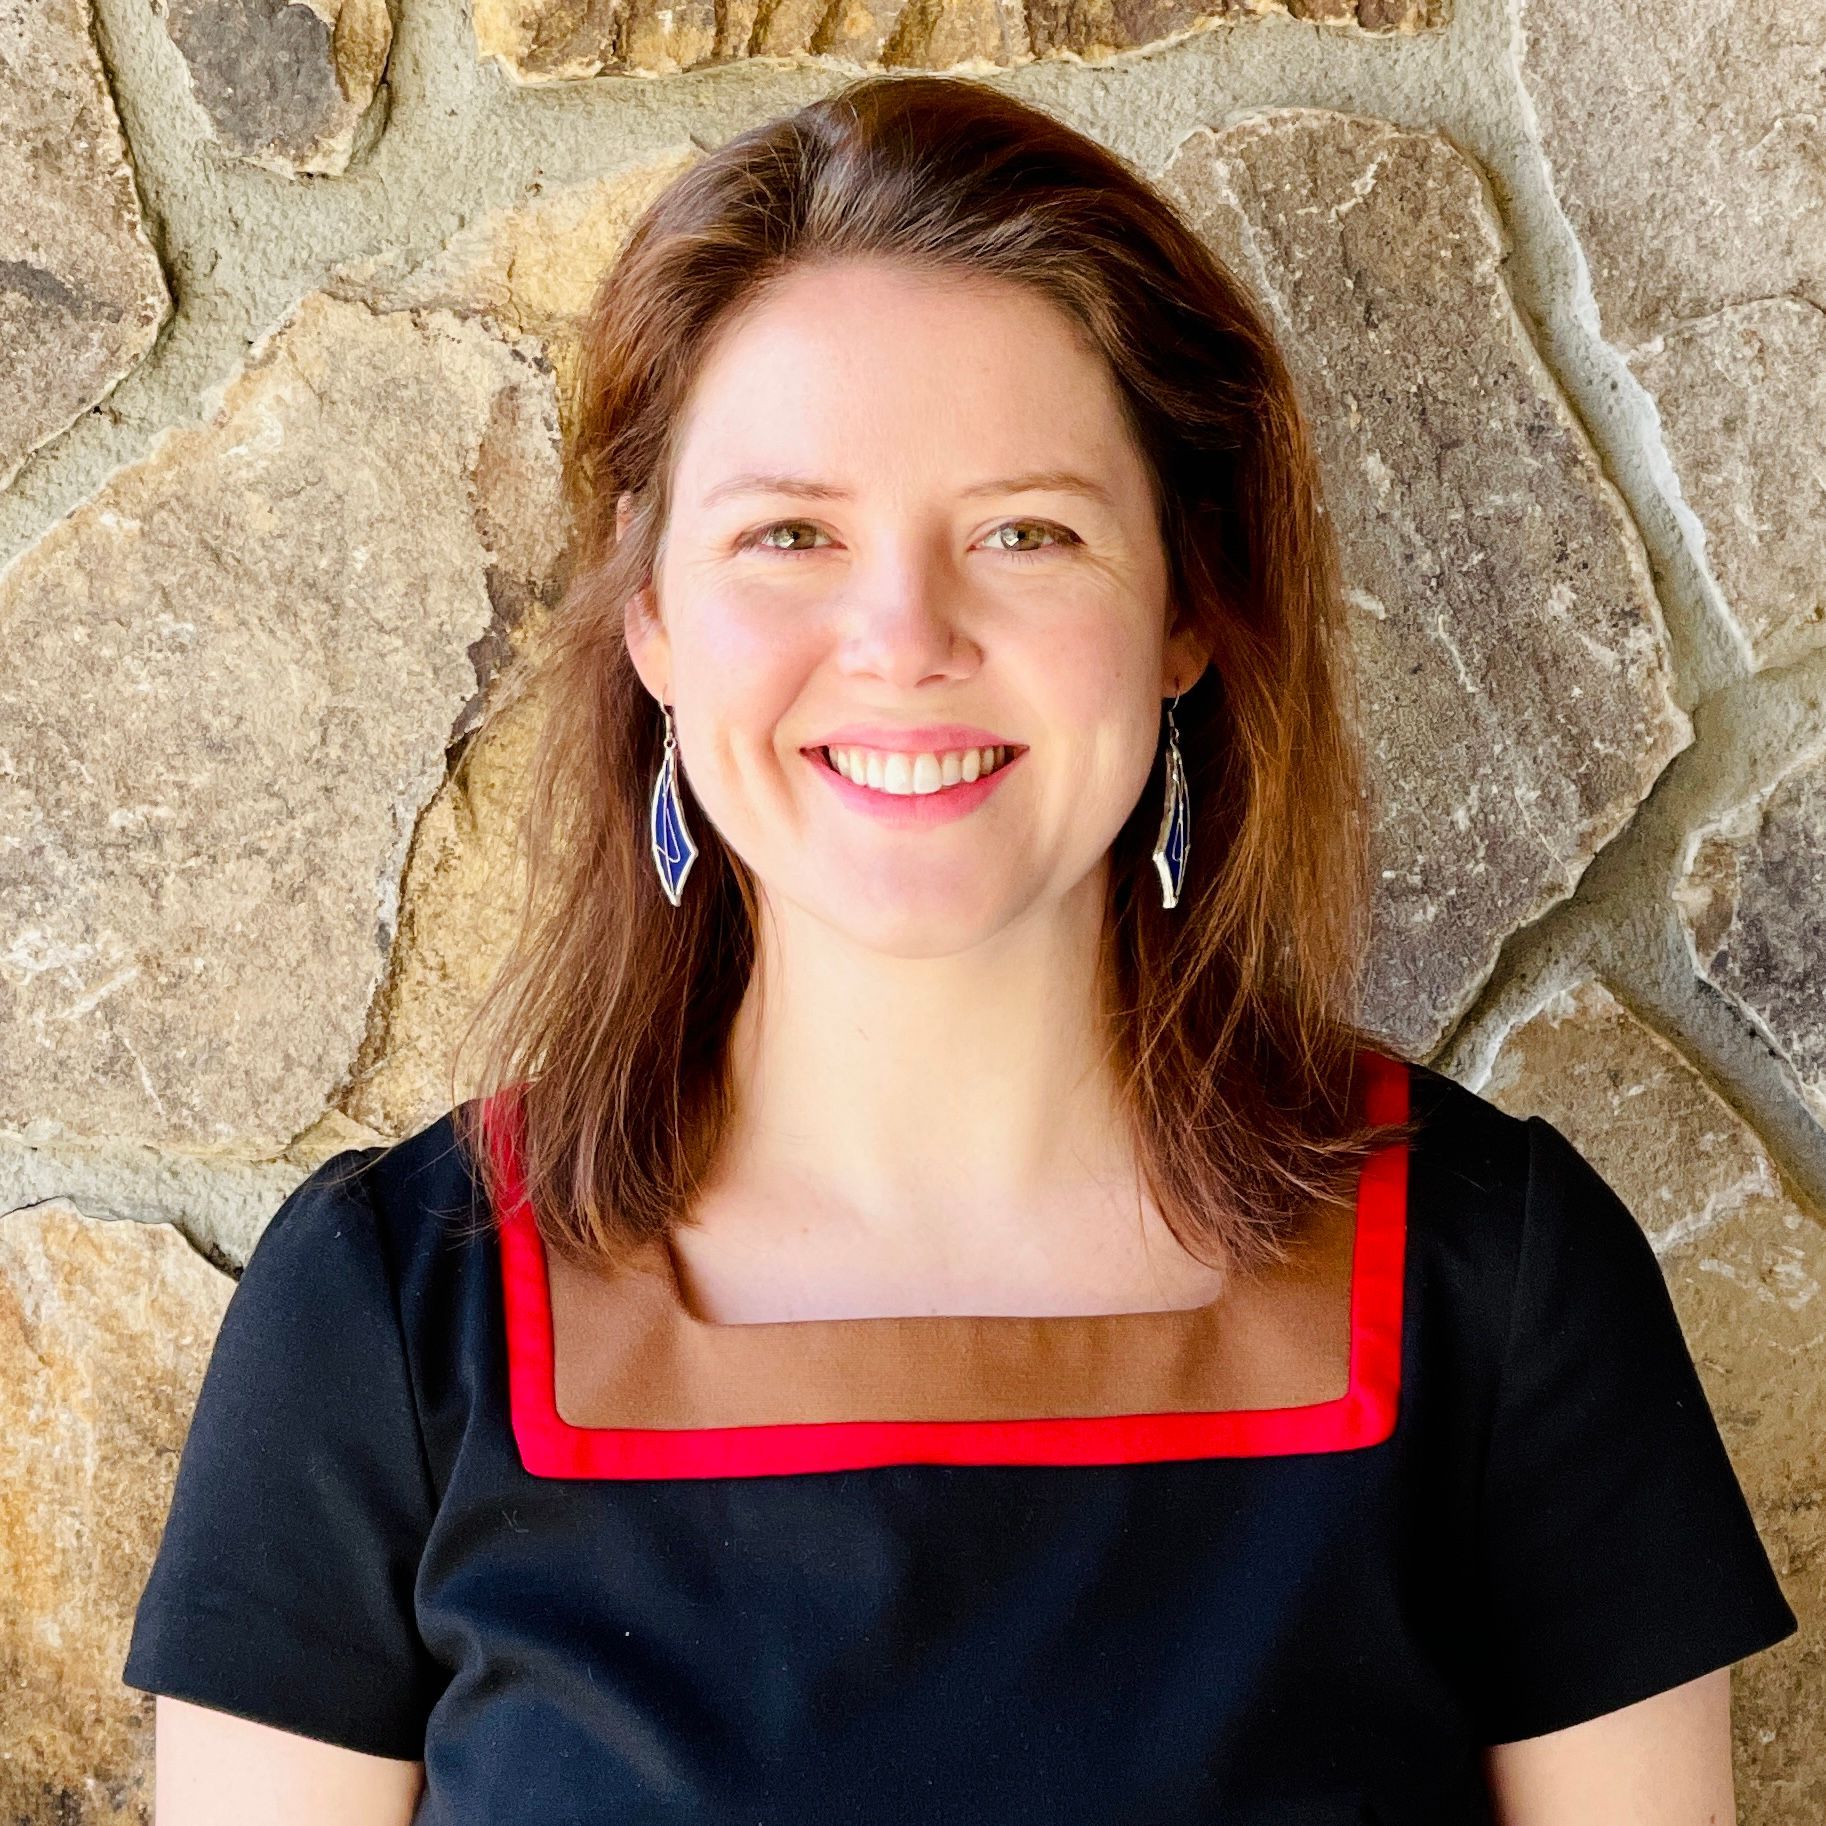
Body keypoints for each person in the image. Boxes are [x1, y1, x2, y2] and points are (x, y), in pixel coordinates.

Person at [121, 71, 1797, 1826]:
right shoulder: (393, 1317)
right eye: (790, 533)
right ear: (653, 625)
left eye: (1025, 530)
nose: (903, 636)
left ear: (1183, 611)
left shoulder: (1496, 1289)